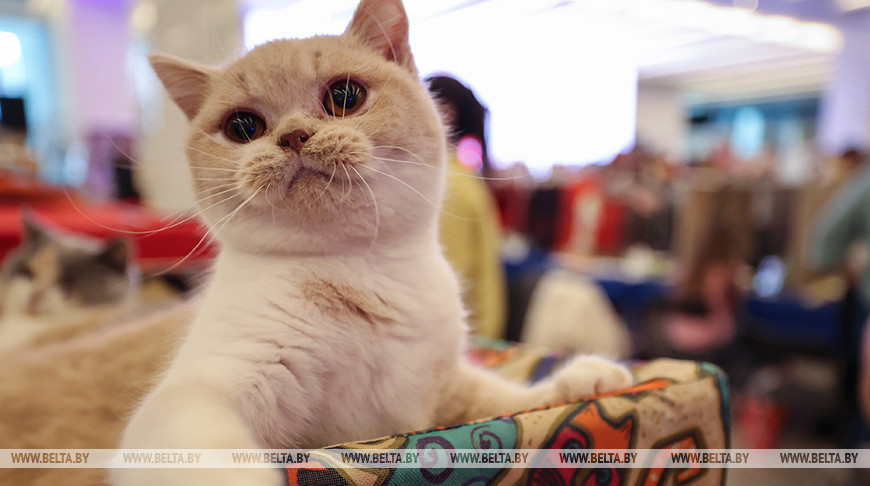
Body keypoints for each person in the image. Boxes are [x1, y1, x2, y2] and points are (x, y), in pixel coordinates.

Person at [426, 75, 507, 339]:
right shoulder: (460, 176)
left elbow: (448, 276)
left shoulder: (446, 182)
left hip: (459, 339)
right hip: (470, 335)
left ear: (445, 111)